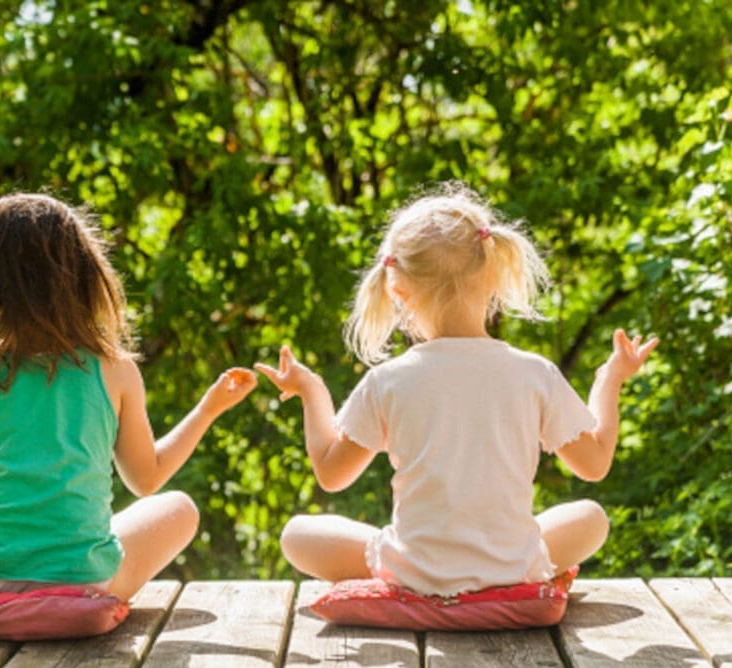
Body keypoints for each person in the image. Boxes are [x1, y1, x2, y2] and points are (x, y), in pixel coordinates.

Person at [0, 193, 256, 601]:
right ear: (87, 280)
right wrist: (208, 408)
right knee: (179, 508)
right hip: (84, 584)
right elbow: (146, 479)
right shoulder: (115, 370)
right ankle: (63, 555)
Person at [255, 182, 658, 597]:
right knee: (591, 517)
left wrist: (311, 389)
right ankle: (494, 571)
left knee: (297, 534)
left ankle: (421, 573)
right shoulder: (535, 373)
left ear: (397, 290)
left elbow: (330, 472)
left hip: (415, 576)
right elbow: (594, 465)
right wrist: (609, 381)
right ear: (495, 272)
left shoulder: (388, 380)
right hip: (513, 570)